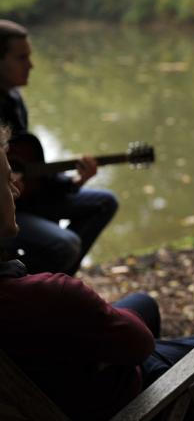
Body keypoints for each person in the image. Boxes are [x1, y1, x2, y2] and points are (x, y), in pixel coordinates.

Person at [0, 123, 194, 421]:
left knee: (143, 302)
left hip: (43, 414)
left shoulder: (30, 298)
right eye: (7, 179)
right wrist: (100, 320)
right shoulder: (52, 294)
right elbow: (138, 346)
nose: (17, 190)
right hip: (110, 420)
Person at [0, 19, 118, 275]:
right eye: (21, 58)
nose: (31, 65)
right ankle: (35, 286)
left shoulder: (14, 97)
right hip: (5, 212)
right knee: (65, 244)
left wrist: (74, 181)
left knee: (104, 202)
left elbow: (28, 167)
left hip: (26, 200)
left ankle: (57, 280)